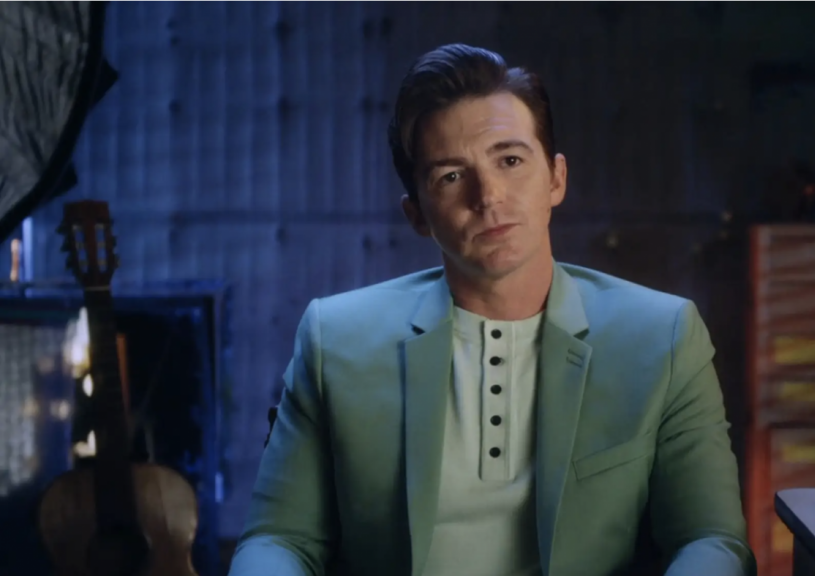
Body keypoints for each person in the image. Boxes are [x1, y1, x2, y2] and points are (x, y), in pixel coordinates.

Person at [229, 44, 755, 576]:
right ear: (417, 215)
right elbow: (279, 539)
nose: (488, 196)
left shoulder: (662, 337)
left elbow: (710, 539)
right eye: (451, 176)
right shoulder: (335, 340)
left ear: (556, 178)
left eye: (510, 160)